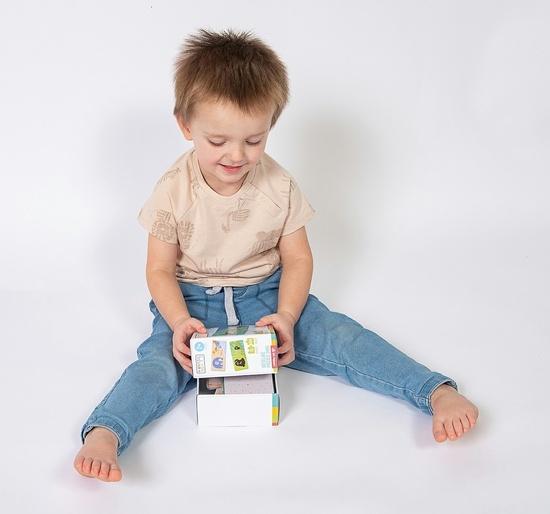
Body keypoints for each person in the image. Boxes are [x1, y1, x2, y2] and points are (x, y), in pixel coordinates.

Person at [73, 28, 479, 482]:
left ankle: (434, 391)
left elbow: (299, 258)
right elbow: (159, 268)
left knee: (341, 335)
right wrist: (179, 321)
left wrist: (286, 315)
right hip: (190, 302)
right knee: (156, 367)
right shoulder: (172, 190)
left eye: (254, 140)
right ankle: (106, 432)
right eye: (218, 140)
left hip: (267, 296)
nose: (236, 155)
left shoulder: (279, 185)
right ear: (186, 125)